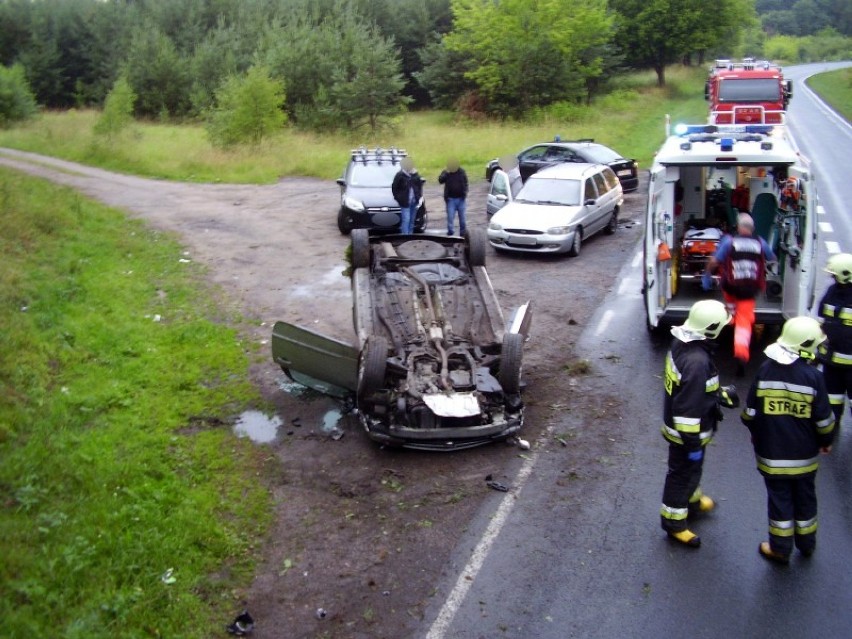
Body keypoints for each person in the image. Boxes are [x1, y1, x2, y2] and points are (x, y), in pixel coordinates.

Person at [741, 316, 835, 564]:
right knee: (806, 497)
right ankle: (807, 544)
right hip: (805, 457)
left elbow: (749, 413)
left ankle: (780, 548)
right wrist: (826, 440)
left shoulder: (765, 370)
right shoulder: (814, 377)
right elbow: (824, 420)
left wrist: (755, 433)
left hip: (771, 455)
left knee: (780, 499)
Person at [660, 299, 732, 548]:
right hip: (687, 435)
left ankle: (692, 501)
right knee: (680, 475)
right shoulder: (697, 361)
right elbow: (687, 409)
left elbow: (690, 389)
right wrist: (691, 444)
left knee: (693, 470)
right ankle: (674, 523)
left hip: (689, 432)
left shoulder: (685, 343)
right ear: (711, 328)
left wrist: (717, 395)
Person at [703, 212, 777, 373]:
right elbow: (772, 258)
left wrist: (707, 275)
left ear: (739, 227)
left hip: (730, 287)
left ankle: (729, 317)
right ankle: (741, 353)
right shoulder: (760, 243)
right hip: (750, 290)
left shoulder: (729, 241)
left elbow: (715, 261)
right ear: (752, 229)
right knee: (744, 322)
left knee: (730, 309)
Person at [817, 253, 852, 432]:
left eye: (834, 274)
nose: (832, 277)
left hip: (841, 360)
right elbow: (822, 313)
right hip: (832, 360)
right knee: (832, 397)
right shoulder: (832, 291)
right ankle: (832, 425)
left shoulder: (833, 292)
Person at [391, 157, 423, 235]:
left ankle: (410, 236)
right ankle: (404, 236)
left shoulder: (415, 175)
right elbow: (394, 187)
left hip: (414, 201)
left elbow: (419, 186)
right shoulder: (400, 175)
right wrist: (398, 198)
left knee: (412, 220)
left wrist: (418, 196)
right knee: (406, 219)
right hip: (405, 202)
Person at [438, 158, 468, 236]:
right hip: (450, 199)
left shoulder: (462, 172)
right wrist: (446, 173)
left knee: (463, 219)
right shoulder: (446, 172)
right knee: (450, 218)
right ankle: (450, 233)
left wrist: (465, 192)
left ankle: (462, 233)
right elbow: (440, 180)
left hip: (461, 199)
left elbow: (466, 182)